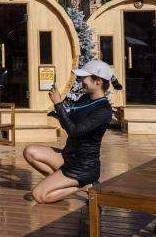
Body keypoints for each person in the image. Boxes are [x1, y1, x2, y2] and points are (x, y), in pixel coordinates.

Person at [23, 60, 122, 204]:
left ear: (98, 81)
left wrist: (58, 104)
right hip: (68, 157)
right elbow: (68, 123)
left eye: (85, 78)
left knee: (39, 195)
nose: (81, 81)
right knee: (30, 151)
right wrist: (59, 110)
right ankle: (63, 182)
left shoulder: (103, 110)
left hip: (83, 167)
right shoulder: (85, 98)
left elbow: (74, 132)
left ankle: (84, 186)